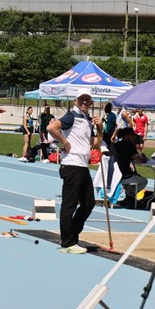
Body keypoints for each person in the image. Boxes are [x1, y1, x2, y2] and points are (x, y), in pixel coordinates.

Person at [47, 93, 102, 254]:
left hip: (82, 166)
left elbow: (95, 143)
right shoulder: (71, 116)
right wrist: (64, 142)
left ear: (91, 102)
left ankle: (71, 234)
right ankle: (68, 242)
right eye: (81, 99)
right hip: (72, 165)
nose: (84, 102)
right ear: (75, 101)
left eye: (87, 99)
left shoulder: (87, 119)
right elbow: (51, 127)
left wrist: (100, 128)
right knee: (69, 204)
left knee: (88, 203)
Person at [111, 127, 148, 200]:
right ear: (128, 136)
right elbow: (138, 160)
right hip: (125, 175)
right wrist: (143, 157)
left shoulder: (115, 145)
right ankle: (131, 195)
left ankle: (129, 196)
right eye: (132, 135)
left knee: (129, 183)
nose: (134, 137)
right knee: (144, 181)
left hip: (114, 175)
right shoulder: (129, 145)